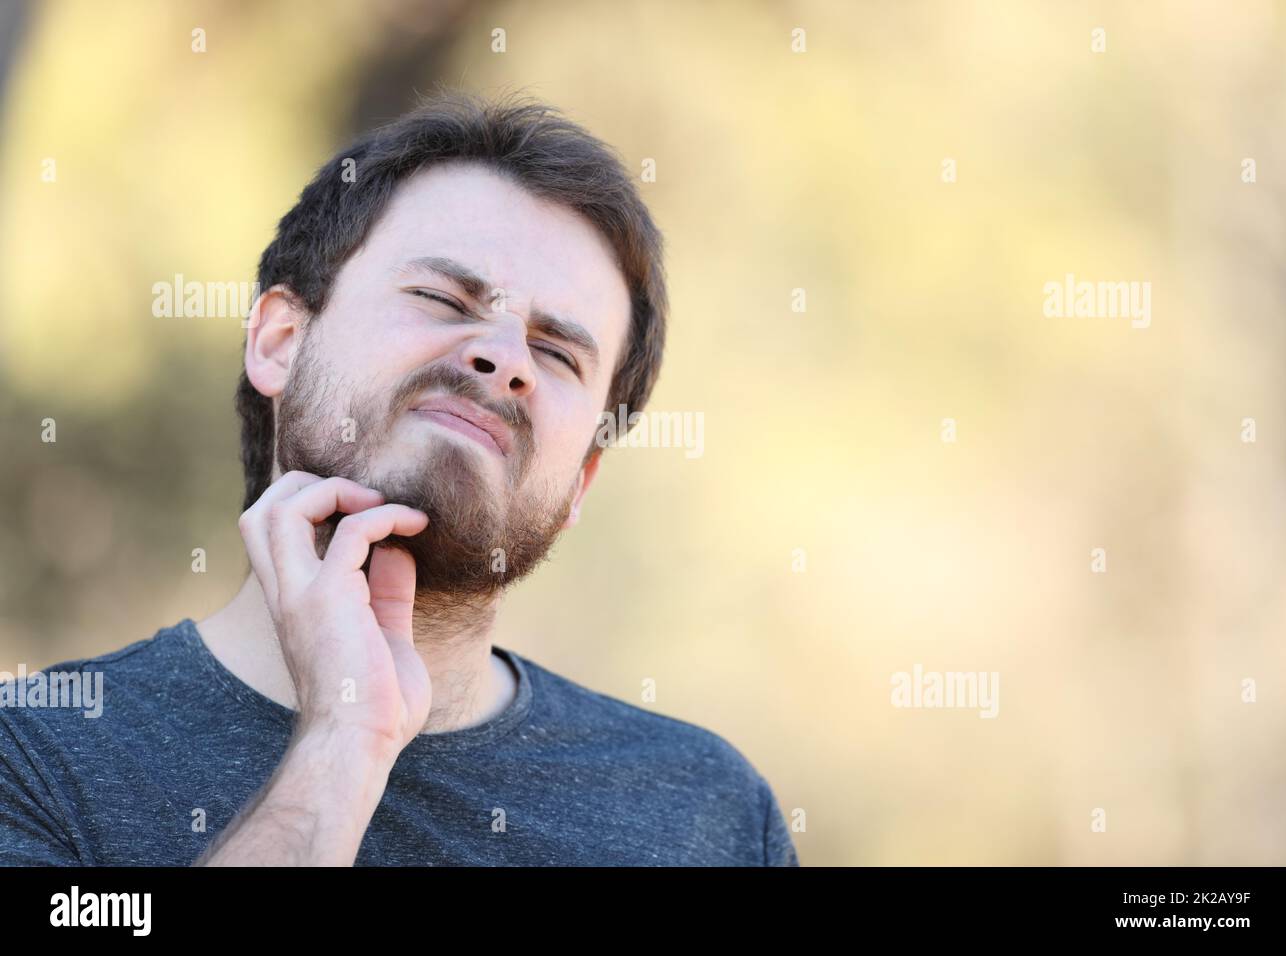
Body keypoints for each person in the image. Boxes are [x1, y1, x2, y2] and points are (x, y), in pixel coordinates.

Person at [0, 89, 799, 867]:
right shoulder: (35, 763)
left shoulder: (708, 815)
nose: (505, 358)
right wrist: (343, 743)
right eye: (444, 298)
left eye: (557, 353)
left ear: (581, 482)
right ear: (279, 339)